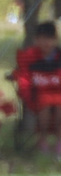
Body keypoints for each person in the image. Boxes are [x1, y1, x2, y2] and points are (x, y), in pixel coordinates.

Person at [14, 21, 61, 156]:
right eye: (42, 39)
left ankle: (59, 142)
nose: (46, 43)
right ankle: (43, 140)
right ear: (36, 40)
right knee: (44, 104)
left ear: (55, 40)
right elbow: (23, 78)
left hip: (58, 95)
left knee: (59, 107)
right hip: (37, 96)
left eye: (49, 39)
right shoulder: (29, 57)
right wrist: (25, 93)